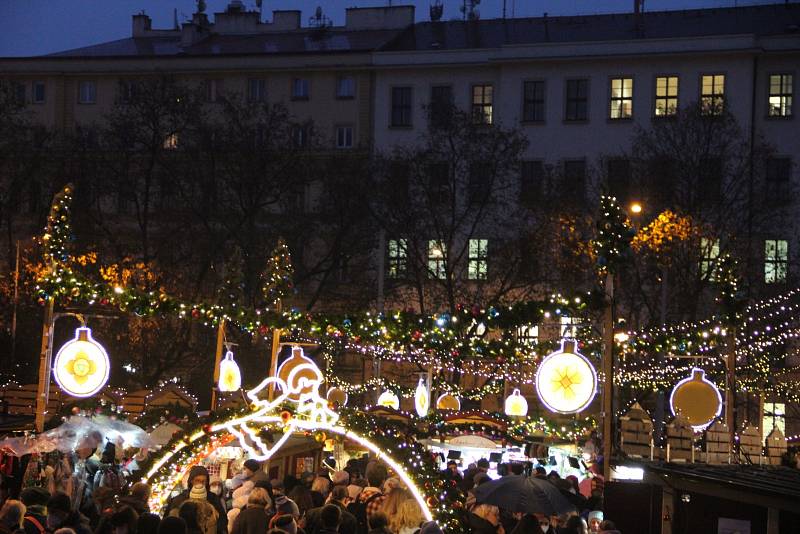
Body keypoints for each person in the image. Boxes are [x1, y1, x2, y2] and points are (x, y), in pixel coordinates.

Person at [167, 466, 226, 534]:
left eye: (204, 481)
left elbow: (222, 521)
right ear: (191, 481)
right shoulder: (180, 499)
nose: (200, 483)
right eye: (197, 480)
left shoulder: (213, 499)